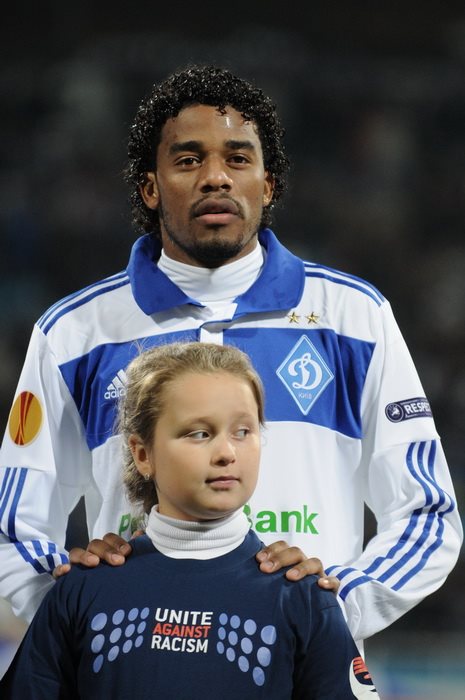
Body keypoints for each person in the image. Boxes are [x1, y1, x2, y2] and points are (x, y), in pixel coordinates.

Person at [0, 65, 461, 646]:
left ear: (268, 185)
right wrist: (78, 610)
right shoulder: (75, 334)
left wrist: (334, 608)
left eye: (238, 159)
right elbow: (13, 529)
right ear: (150, 187)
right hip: (139, 665)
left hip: (301, 670)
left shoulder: (353, 318)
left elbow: (427, 514)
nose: (215, 177)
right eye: (188, 159)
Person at [1, 342, 380, 699]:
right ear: (142, 454)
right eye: (199, 433)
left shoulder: (304, 599)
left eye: (243, 431)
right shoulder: (82, 591)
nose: (227, 452)